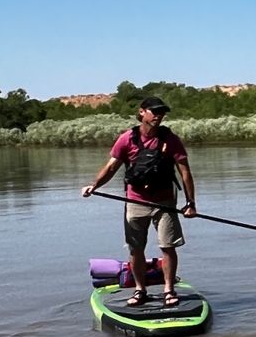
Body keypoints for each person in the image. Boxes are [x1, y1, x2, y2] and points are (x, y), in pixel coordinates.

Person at [82, 97, 198, 307]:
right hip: (135, 201)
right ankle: (140, 290)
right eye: (154, 111)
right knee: (136, 249)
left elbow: (185, 172)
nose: (158, 115)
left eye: (161, 112)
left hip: (165, 203)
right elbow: (111, 167)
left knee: (168, 247)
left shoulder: (171, 140)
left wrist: (191, 203)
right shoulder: (127, 139)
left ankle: (169, 290)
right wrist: (94, 186)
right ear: (142, 112)